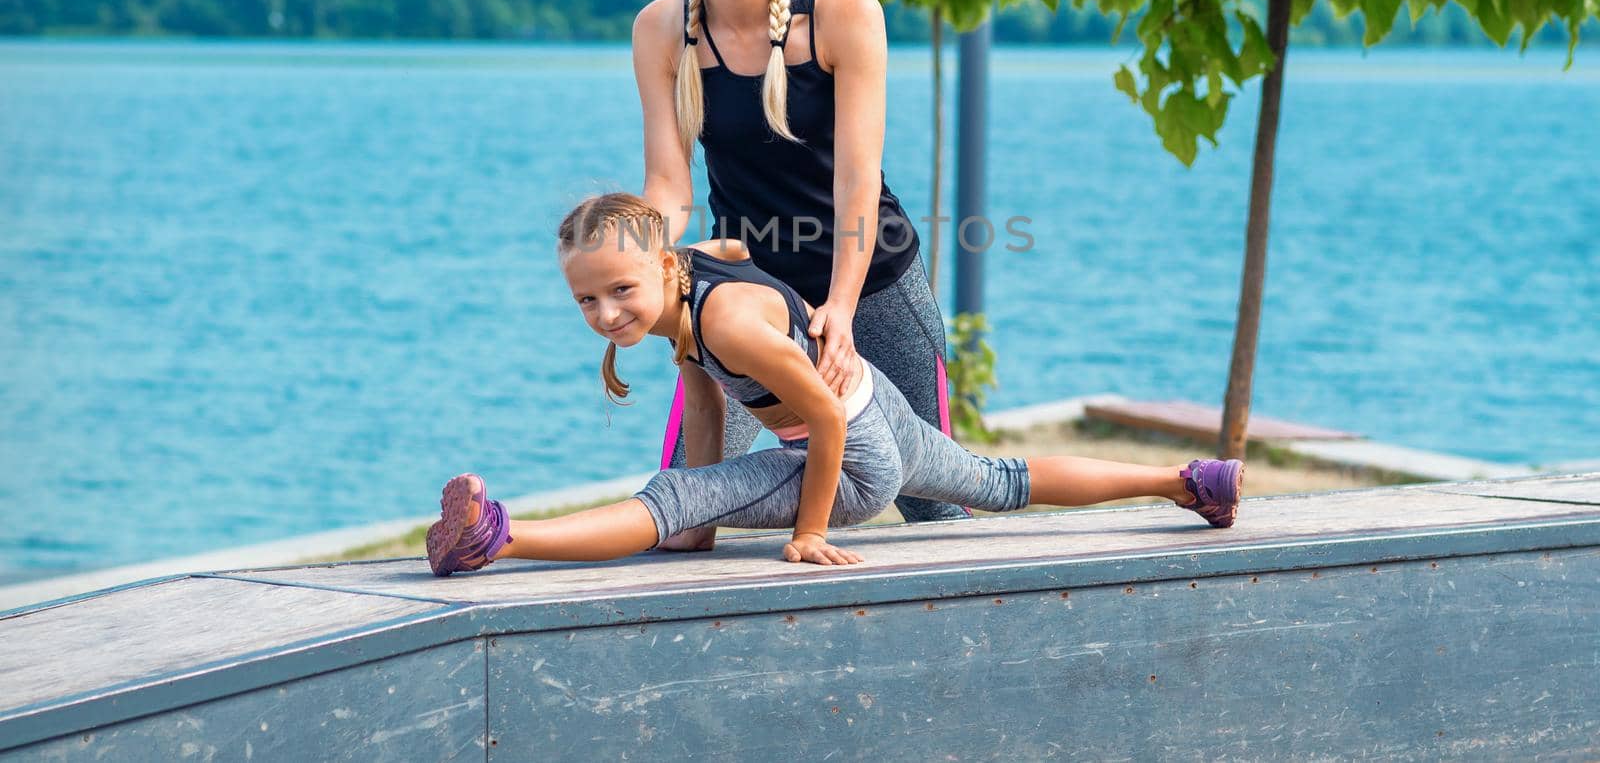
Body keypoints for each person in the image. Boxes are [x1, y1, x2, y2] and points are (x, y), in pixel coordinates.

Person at [424, 194, 1243, 576]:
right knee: (1000, 479)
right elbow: (736, 272)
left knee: (670, 500)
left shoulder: (725, 325)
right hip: (871, 403)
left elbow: (815, 410)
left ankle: (498, 535)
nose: (605, 312)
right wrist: (702, 509)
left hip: (847, 452)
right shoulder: (701, 280)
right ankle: (1187, 483)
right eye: (586, 299)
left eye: (621, 291)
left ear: (667, 266)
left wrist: (807, 529)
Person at [631, 0, 968, 528]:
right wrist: (638, 272)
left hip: (870, 281)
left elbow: (857, 180)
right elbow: (670, 186)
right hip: (745, 294)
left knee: (935, 504)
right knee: (687, 509)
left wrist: (841, 309)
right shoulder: (662, 30)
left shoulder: (846, 12)